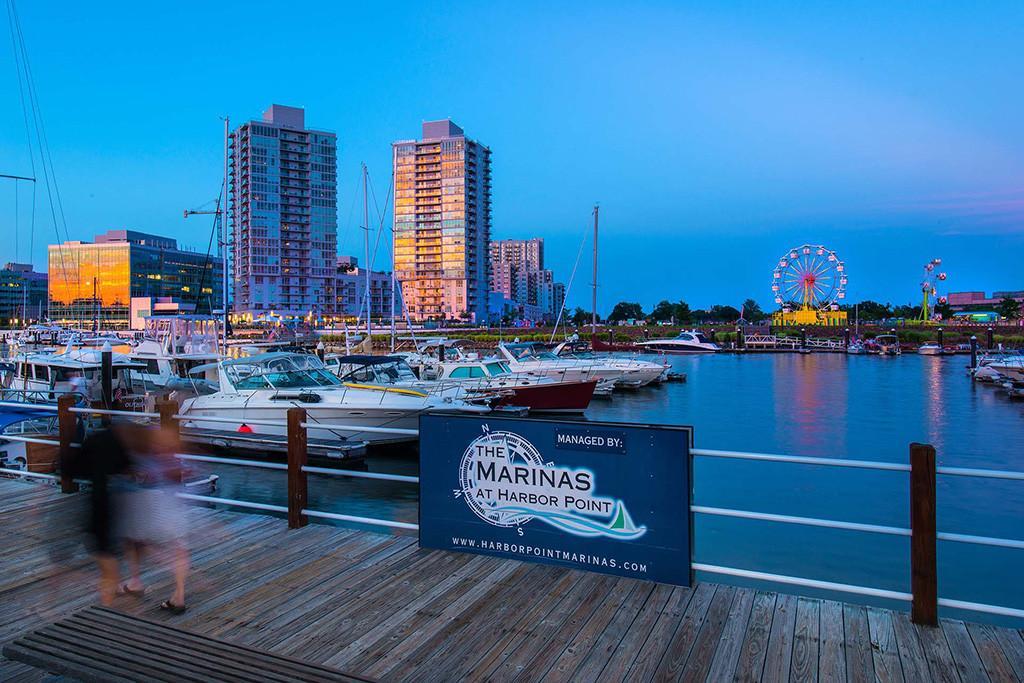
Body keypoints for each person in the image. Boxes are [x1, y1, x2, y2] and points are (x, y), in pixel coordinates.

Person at [117, 423, 190, 614]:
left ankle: (135, 581)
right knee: (178, 547)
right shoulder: (169, 451)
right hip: (170, 499)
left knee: (135, 541)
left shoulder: (137, 450)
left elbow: (132, 475)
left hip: (144, 498)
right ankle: (179, 594)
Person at [68, 423, 132, 606]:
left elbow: (73, 468)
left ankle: (107, 601)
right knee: (111, 547)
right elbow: (127, 467)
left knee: (103, 551)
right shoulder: (119, 447)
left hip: (99, 500)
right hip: (118, 499)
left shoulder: (93, 444)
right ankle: (114, 588)